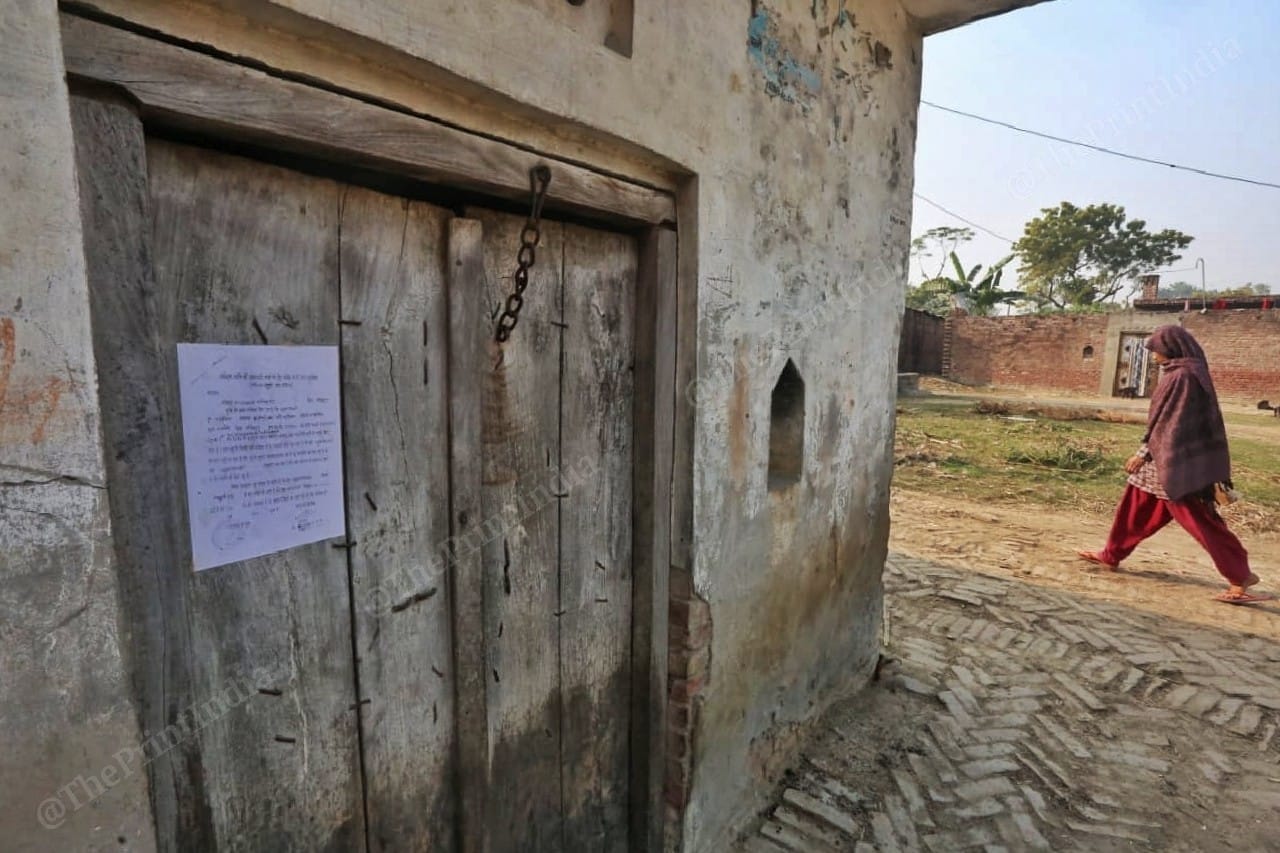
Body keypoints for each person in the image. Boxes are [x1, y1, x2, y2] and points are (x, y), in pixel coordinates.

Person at [1078, 325, 1272, 604]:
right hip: (1168, 460)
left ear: (1170, 348)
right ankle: (1111, 555)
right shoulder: (1189, 372)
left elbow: (1168, 423)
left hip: (1175, 462)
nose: (1153, 355)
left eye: (1156, 349)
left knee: (1200, 520)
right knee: (1135, 507)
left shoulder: (1182, 377)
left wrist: (1142, 453)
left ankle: (1239, 577)